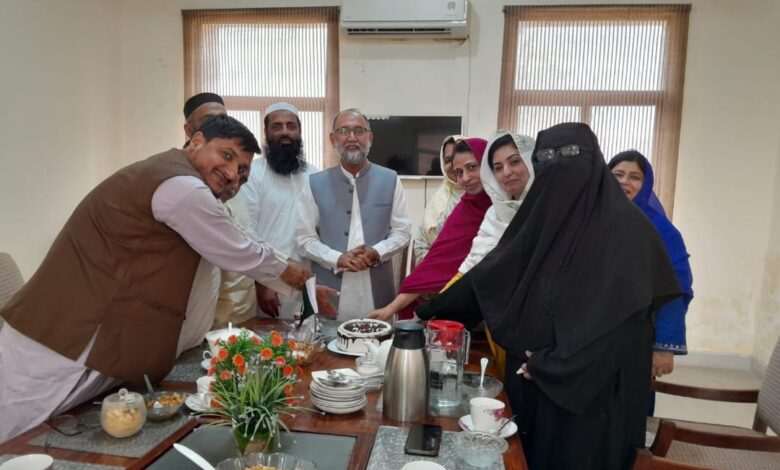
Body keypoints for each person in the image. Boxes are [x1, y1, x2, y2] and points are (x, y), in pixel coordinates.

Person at [0, 115, 311, 443]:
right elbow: (236, 248)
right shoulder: (183, 187)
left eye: (243, 172)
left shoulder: (186, 184)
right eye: (227, 155)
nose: (233, 175)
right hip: (65, 338)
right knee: (15, 429)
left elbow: (238, 238)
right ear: (196, 141)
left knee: (51, 437)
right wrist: (293, 278)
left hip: (97, 341)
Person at [416, 123, 682, 469]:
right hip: (537, 383)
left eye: (570, 154)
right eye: (547, 157)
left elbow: (622, 324)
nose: (558, 164)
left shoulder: (629, 230)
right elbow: (490, 276)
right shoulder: (540, 216)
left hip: (594, 392)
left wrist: (552, 365)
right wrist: (429, 312)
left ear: (594, 160)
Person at [295, 108, 412, 321]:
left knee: (378, 340)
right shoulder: (314, 183)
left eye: (359, 131)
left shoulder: (390, 179)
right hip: (330, 291)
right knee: (328, 340)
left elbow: (402, 232)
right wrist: (337, 258)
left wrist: (376, 252)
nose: (352, 137)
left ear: (370, 138)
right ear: (333, 139)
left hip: (377, 293)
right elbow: (304, 239)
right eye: (344, 131)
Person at [368, 138, 490, 321]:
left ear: (488, 164)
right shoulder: (465, 209)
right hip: (457, 302)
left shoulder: (506, 207)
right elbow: (436, 261)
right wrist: (390, 309)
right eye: (458, 172)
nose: (465, 178)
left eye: (472, 167)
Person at [609, 151, 693, 383]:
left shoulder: (662, 231)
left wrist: (664, 346)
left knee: (629, 399)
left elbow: (674, 288)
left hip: (637, 335)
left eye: (635, 177)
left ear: (646, 185)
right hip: (592, 338)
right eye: (617, 175)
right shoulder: (591, 220)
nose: (625, 181)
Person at [238, 102, 320, 321]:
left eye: (291, 126)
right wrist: (262, 282)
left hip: (306, 278)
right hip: (269, 282)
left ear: (299, 131)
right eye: (277, 126)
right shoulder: (253, 173)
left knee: (306, 336)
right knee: (270, 340)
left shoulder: (314, 174)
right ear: (266, 133)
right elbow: (246, 232)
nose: (285, 132)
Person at [412, 135, 465, 265]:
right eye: (448, 160)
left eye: (459, 158)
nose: (453, 165)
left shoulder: (485, 199)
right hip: (436, 270)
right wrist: (437, 266)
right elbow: (421, 243)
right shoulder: (438, 199)